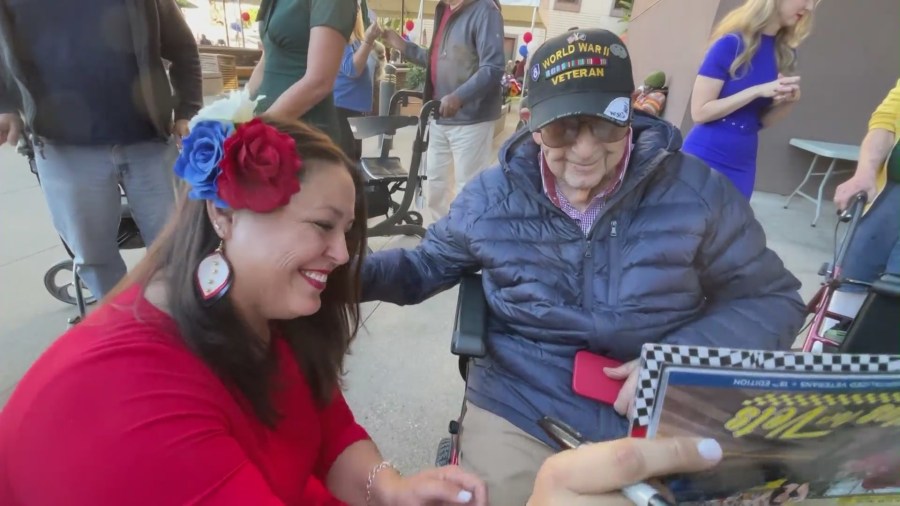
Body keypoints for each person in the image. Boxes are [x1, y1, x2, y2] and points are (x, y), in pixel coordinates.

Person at [362, 28, 806, 505]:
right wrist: (337, 273)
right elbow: (421, 266)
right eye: (563, 128)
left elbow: (770, 298)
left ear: (633, 110)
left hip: (660, 405)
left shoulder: (695, 192)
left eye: (608, 122)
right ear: (532, 124)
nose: (587, 148)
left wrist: (677, 359)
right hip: (525, 401)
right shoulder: (492, 198)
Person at [0, 93, 486, 506]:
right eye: (323, 225)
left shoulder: (263, 306)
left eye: (346, 231)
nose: (341, 254)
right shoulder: (136, 394)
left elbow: (329, 427)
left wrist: (392, 489)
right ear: (225, 214)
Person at [0, 0, 202, 300]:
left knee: (177, 248)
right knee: (93, 258)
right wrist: (5, 106)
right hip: (63, 150)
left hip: (149, 142)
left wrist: (188, 110)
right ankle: (118, 326)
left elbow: (183, 48)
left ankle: (177, 322)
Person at [380, 0, 505, 219]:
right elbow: (437, 59)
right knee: (436, 184)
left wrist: (460, 96)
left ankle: (465, 243)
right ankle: (442, 235)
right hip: (438, 115)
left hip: (471, 120)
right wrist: (403, 46)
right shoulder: (444, 9)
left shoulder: (486, 10)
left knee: (469, 188)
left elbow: (493, 67)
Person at [682, 0, 817, 199]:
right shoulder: (730, 44)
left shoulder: (784, 53)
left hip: (743, 162)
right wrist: (756, 91)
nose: (809, 8)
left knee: (729, 228)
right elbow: (700, 112)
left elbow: (760, 121)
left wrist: (790, 100)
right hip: (704, 156)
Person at [827, 78, 900, 323]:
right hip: (889, 195)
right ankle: (825, 351)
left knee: (891, 304)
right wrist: (864, 173)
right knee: (850, 278)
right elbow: (886, 119)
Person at [247, 0, 357, 143]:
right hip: (266, 132)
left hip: (303, 137)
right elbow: (267, 59)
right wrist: (240, 115)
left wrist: (256, 130)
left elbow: (319, 81)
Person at [333, 6, 382, 161]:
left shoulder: (354, 41)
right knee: (347, 160)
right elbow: (352, 69)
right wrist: (368, 41)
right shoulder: (341, 38)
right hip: (342, 110)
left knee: (353, 158)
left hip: (352, 111)